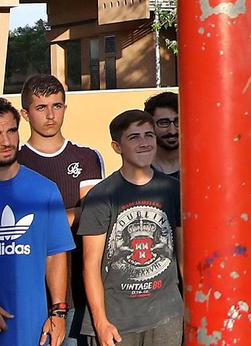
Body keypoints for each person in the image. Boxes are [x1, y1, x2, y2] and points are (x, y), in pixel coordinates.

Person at [0, 97, 73, 346]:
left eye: (11, 131)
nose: (6, 141)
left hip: (34, 329)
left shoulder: (44, 190)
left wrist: (58, 313)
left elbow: (55, 254)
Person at [77, 110, 184, 346]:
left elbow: (183, 253)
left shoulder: (173, 189)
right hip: (117, 320)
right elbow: (91, 264)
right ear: (117, 147)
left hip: (166, 317)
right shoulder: (102, 195)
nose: (144, 143)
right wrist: (101, 322)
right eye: (134, 137)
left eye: (149, 135)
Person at [18, 74, 107, 345]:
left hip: (81, 290)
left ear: (65, 108)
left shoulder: (86, 157)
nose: (50, 115)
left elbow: (92, 215)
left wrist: (46, 220)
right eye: (41, 107)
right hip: (34, 292)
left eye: (57, 106)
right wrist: (68, 216)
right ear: (25, 113)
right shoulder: (16, 162)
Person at [143, 92, 181, 176]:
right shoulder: (140, 172)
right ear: (149, 125)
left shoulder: (201, 167)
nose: (172, 131)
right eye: (164, 123)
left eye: (178, 121)